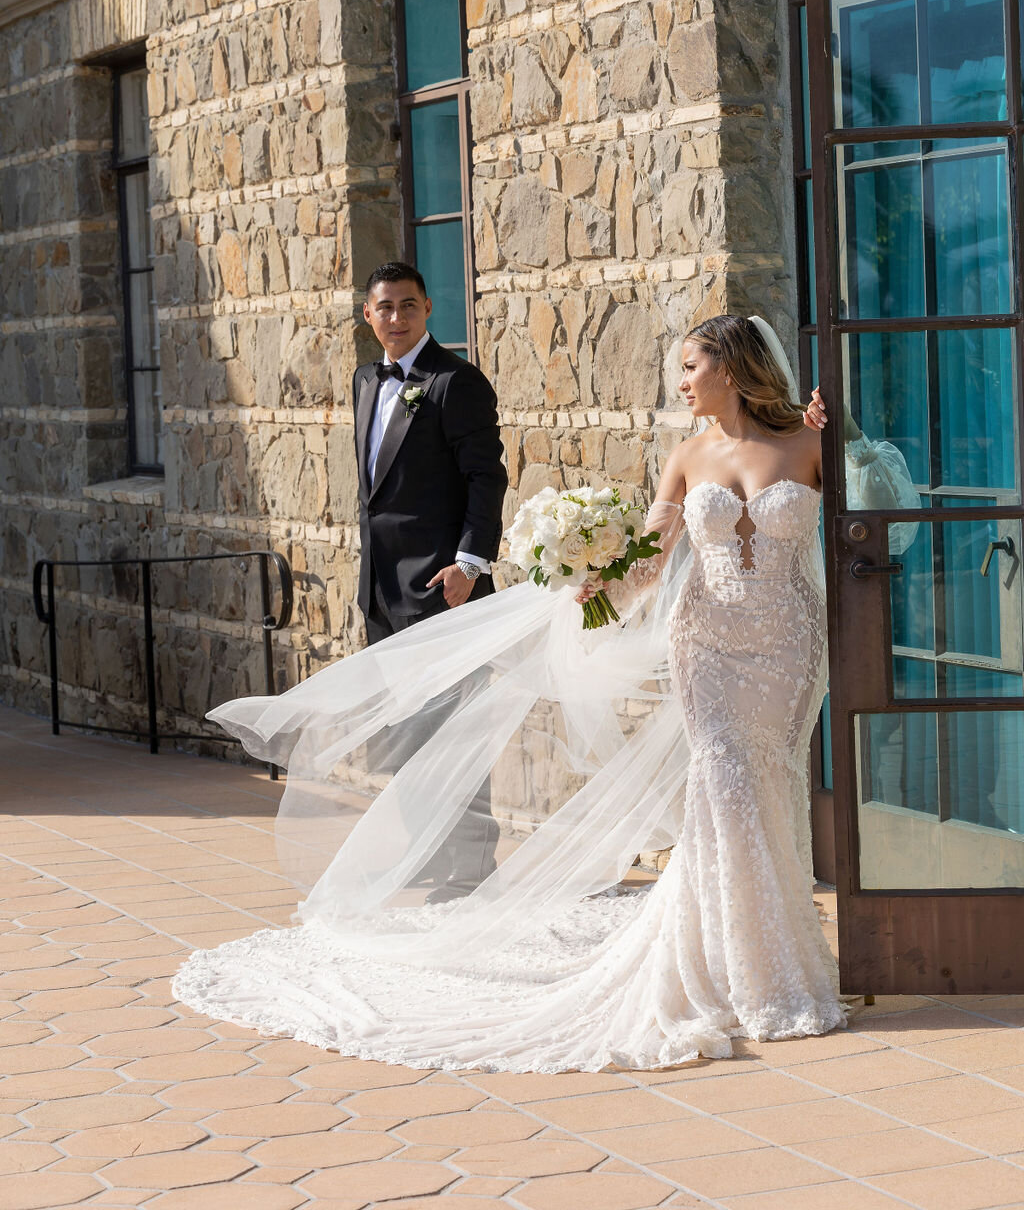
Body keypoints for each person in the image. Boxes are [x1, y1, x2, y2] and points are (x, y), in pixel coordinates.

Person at [174, 313, 916, 1073]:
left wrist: (847, 439)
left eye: (691, 368)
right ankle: (743, 972)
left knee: (771, 787)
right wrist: (587, 581)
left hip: (789, 649)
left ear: (731, 367)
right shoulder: (689, 456)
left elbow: (884, 521)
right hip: (709, 648)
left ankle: (777, 953)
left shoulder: (807, 440)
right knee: (723, 782)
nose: (681, 382)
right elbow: (650, 565)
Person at [354, 261, 507, 899]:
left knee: (455, 729)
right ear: (369, 316)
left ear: (428, 310)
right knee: (407, 732)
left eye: (408, 307)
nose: (396, 318)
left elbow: (486, 478)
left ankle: (470, 866)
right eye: (385, 307)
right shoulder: (366, 379)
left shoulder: (457, 382)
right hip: (383, 590)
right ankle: (426, 851)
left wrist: (471, 563)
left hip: (445, 588)